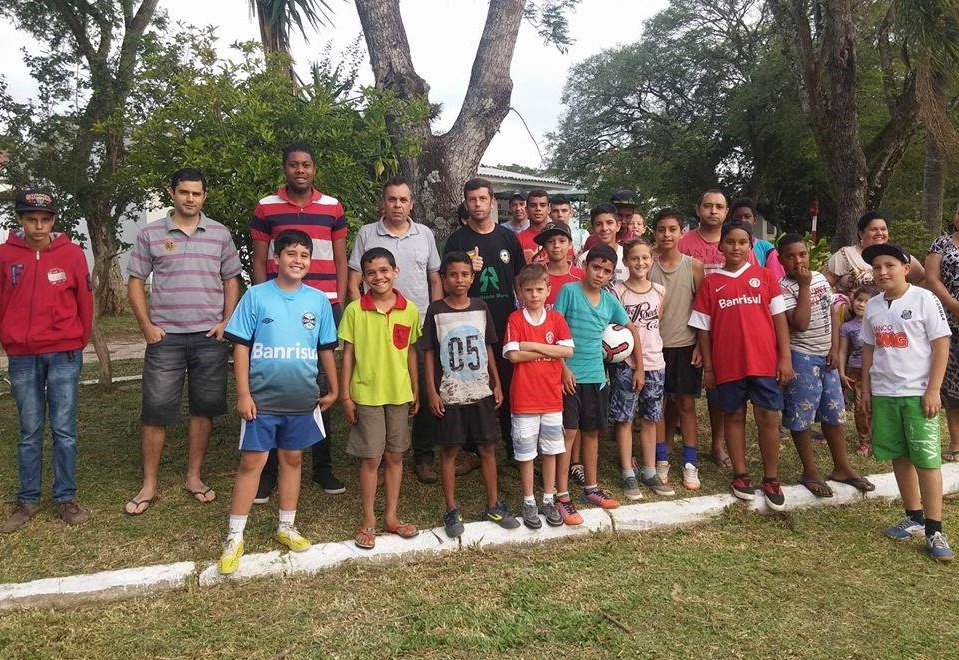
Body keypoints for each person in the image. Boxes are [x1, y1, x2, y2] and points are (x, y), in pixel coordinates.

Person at [218, 229, 339, 574]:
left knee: (292, 459)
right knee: (252, 463)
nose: (297, 260)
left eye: (304, 254)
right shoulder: (256, 296)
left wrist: (333, 387)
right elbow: (240, 345)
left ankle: (286, 526)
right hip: (262, 400)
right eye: (290, 254)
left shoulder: (318, 301)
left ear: (310, 261)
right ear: (276, 258)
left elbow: (326, 348)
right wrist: (243, 394)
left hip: (301, 400)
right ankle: (234, 536)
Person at [124, 169, 242, 516]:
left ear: (204, 196)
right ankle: (149, 484)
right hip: (166, 338)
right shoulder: (151, 234)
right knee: (155, 411)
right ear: (171, 192)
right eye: (184, 192)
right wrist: (147, 326)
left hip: (209, 337)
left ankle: (194, 476)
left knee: (203, 410)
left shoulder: (219, 233)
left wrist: (226, 322)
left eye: (197, 193)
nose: (190, 198)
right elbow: (135, 281)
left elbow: (231, 279)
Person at [250, 141, 347, 498]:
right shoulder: (266, 207)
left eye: (307, 164)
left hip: (323, 305)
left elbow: (340, 259)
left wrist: (340, 302)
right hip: (276, 306)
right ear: (285, 168)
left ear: (314, 168)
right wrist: (263, 303)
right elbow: (260, 261)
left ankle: (322, 467)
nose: (300, 170)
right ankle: (269, 471)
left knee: (320, 385)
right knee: (274, 383)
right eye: (294, 165)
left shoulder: (333, 207)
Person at [0, 189, 93, 532]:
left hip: (64, 353)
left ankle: (65, 497)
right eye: (30, 219)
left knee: (64, 428)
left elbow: (85, 300)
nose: (38, 226)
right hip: (22, 356)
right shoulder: (5, 255)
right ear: (21, 220)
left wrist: (76, 340)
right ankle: (27, 499)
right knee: (29, 429)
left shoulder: (72, 254)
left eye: (44, 219)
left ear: (54, 220)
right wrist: (9, 338)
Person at [689, 220, 794, 511]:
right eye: (730, 242)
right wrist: (709, 368)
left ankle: (771, 477)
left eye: (742, 242)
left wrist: (784, 357)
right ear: (720, 246)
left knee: (768, 418)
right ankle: (740, 474)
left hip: (764, 363)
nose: (736, 247)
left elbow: (780, 321)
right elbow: (704, 330)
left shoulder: (765, 277)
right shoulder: (711, 283)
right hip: (727, 365)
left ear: (751, 247)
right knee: (733, 416)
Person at [859, 242, 953, 561]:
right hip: (885, 394)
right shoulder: (872, 306)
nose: (882, 272)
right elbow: (869, 350)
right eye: (876, 267)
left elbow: (941, 345)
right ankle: (913, 516)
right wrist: (866, 390)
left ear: (904, 267)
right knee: (899, 455)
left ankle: (934, 529)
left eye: (889, 265)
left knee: (927, 460)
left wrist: (933, 390)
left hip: (918, 394)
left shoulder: (924, 299)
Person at [346, 176, 442, 484]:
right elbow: (354, 278)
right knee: (377, 383)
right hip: (374, 321)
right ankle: (381, 453)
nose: (397, 205)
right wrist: (360, 313)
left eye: (403, 200)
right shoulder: (366, 233)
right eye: (392, 199)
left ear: (411, 203)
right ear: (383, 202)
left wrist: (436, 317)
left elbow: (435, 279)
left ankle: (422, 455)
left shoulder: (424, 234)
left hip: (418, 320)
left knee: (422, 390)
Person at [423, 252, 519, 538]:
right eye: (453, 274)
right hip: (450, 393)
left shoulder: (480, 307)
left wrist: (497, 383)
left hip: (480, 390)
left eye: (465, 274)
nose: (459, 280)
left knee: (488, 447)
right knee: (450, 449)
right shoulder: (436, 311)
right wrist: (431, 390)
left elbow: (489, 346)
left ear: (472, 277)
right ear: (444, 278)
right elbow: (428, 353)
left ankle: (493, 503)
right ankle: (451, 508)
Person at [777, 234, 874, 497]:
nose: (798, 260)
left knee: (833, 412)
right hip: (802, 357)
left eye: (802, 254)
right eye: (790, 256)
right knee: (801, 415)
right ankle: (809, 470)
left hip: (826, 356)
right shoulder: (784, 287)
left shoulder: (820, 278)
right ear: (780, 259)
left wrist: (833, 347)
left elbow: (832, 313)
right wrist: (804, 286)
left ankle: (842, 466)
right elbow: (800, 323)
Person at [554, 244, 644, 520]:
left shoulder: (609, 301)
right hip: (570, 378)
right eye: (596, 268)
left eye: (606, 271)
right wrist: (562, 370)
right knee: (569, 434)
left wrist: (639, 368)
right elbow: (554, 331)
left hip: (596, 377)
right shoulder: (569, 292)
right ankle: (561, 494)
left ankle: (591, 488)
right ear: (585, 265)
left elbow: (631, 330)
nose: (600, 274)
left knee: (592, 432)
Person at [340, 247, 421, 549]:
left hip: (399, 394)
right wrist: (346, 395)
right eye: (371, 272)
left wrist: (415, 389)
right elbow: (347, 355)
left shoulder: (409, 309)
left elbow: (411, 352)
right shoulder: (354, 310)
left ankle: (391, 516)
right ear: (363, 277)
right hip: (367, 395)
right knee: (371, 457)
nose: (379, 277)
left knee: (395, 456)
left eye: (384, 270)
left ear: (395, 272)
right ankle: (369, 519)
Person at [444, 178, 525, 463]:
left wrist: (524, 315)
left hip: (504, 323)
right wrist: (470, 269)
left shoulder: (507, 239)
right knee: (470, 385)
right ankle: (470, 449)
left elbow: (518, 280)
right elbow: (448, 285)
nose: (477, 204)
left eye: (482, 199)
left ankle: (514, 446)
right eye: (472, 200)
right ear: (466, 203)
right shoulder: (457, 241)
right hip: (468, 326)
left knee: (507, 384)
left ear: (492, 201)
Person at [679, 190, 758, 470]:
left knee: (720, 389)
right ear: (698, 209)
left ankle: (718, 442)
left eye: (720, 207)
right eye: (708, 206)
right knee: (684, 390)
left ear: (726, 213)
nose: (713, 211)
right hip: (691, 326)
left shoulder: (737, 241)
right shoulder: (683, 243)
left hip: (729, 327)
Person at [503, 263, 574, 528]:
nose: (534, 295)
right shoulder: (515, 319)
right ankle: (529, 499)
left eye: (539, 289)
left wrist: (530, 345)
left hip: (551, 398)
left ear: (548, 290)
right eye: (528, 289)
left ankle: (548, 497)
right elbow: (513, 355)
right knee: (525, 453)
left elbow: (567, 352)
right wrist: (549, 349)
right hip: (524, 399)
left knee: (552, 450)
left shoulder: (556, 319)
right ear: (520, 291)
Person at [611, 239, 671, 499]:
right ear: (625, 261)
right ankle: (627, 472)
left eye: (645, 258)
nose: (640, 263)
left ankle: (649, 470)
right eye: (634, 258)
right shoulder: (617, 292)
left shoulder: (659, 290)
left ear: (652, 259)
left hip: (655, 362)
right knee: (625, 418)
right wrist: (633, 363)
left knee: (651, 418)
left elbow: (658, 324)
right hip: (626, 364)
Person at [649, 208, 704, 492]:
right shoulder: (648, 266)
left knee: (685, 405)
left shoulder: (693, 266)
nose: (666, 234)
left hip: (685, 346)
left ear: (682, 232)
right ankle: (661, 458)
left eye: (672, 229)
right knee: (658, 405)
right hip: (655, 349)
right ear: (654, 233)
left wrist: (700, 346)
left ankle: (690, 463)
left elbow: (703, 309)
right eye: (661, 229)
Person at [823, 211, 925, 301]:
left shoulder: (898, 255)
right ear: (861, 234)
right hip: (852, 319)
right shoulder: (845, 255)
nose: (879, 233)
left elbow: (922, 279)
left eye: (883, 229)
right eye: (873, 229)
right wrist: (839, 304)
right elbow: (823, 288)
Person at [924, 205, 959, 462]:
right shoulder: (941, 244)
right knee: (952, 386)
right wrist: (954, 305)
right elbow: (932, 278)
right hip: (949, 321)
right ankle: (956, 443)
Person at [838, 284, 880, 456]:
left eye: (867, 301)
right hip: (856, 371)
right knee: (861, 407)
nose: (861, 304)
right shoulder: (847, 327)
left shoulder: (879, 324)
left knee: (878, 406)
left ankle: (879, 440)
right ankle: (864, 441)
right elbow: (842, 350)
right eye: (859, 300)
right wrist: (842, 371)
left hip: (878, 371)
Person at [534, 221, 585, 309]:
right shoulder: (535, 275)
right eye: (550, 241)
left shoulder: (582, 276)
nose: (556, 245)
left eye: (562, 241)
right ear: (544, 246)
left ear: (570, 244)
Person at [576, 203, 628, 285]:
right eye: (598, 224)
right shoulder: (583, 259)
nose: (604, 228)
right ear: (593, 228)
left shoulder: (627, 256)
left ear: (618, 226)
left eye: (609, 223)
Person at [730, 198, 778, 271]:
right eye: (737, 217)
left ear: (754, 220)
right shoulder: (726, 247)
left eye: (747, 217)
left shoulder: (767, 248)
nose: (743, 220)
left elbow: (776, 279)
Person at [517, 189, 550, 263]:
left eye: (542, 205)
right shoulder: (518, 239)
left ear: (548, 209)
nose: (538, 209)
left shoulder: (559, 237)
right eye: (533, 205)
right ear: (526, 210)